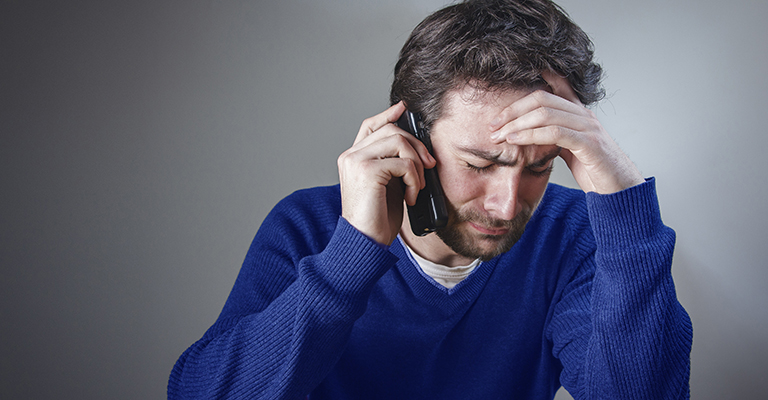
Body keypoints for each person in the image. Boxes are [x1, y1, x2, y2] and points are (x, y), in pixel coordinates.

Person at [168, 0, 692, 398]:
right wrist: (352, 253)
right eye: (480, 164)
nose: (507, 206)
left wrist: (626, 206)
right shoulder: (306, 225)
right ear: (411, 138)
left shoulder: (577, 234)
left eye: (540, 166)